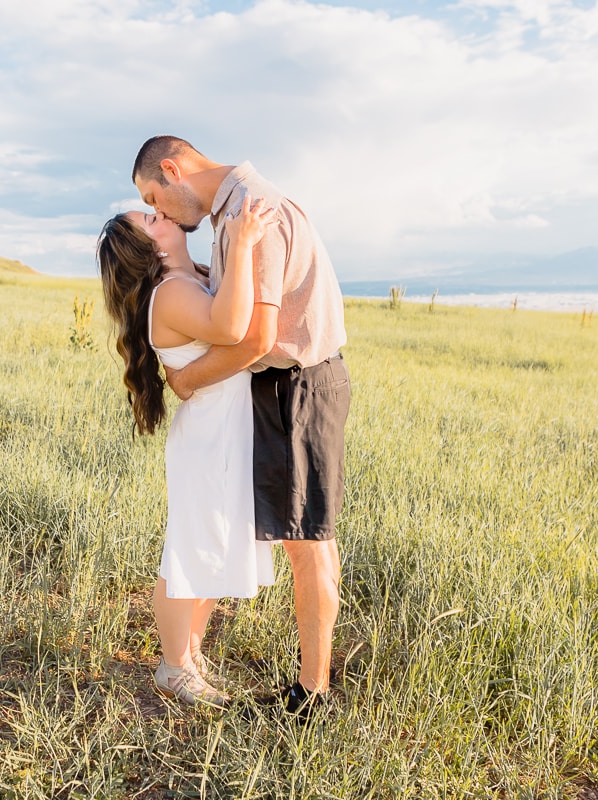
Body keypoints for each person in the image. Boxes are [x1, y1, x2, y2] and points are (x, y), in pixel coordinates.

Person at [132, 136, 349, 718]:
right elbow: (227, 314)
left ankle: (312, 695)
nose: (163, 212)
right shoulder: (232, 217)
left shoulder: (252, 210)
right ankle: (292, 683)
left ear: (174, 170)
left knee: (308, 543)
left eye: (156, 197)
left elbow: (253, 336)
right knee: (280, 539)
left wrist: (186, 380)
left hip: (298, 386)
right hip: (271, 390)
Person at [96, 194, 279, 708]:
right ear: (149, 251)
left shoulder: (187, 277)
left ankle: (191, 653)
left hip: (224, 428)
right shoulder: (172, 292)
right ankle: (173, 666)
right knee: (191, 549)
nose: (165, 215)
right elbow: (228, 328)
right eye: (153, 219)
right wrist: (243, 242)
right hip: (208, 436)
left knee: (213, 546)